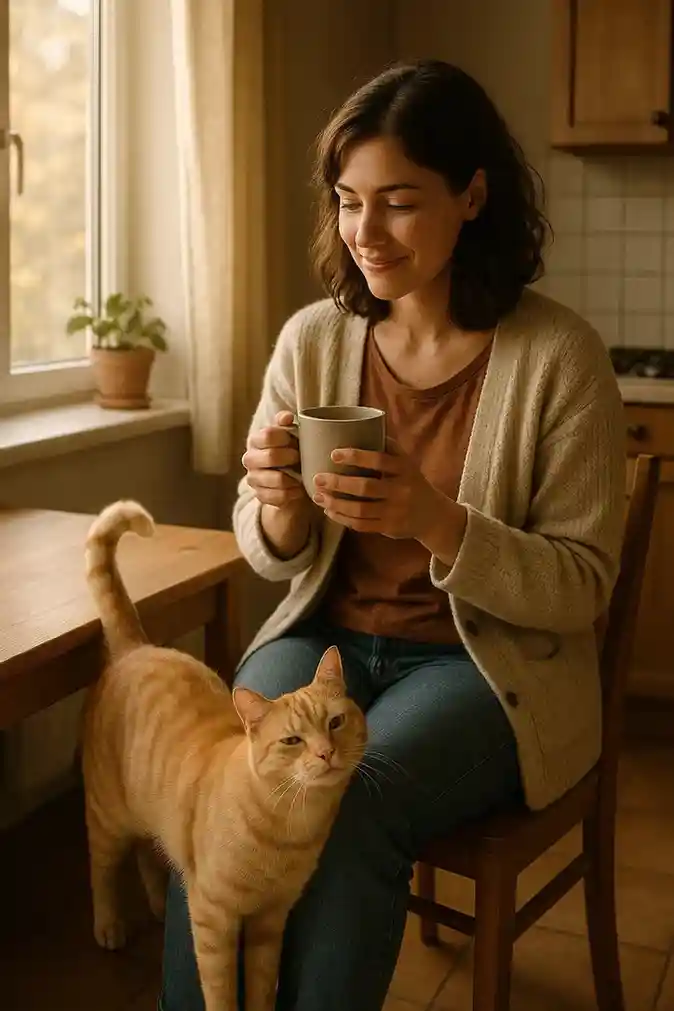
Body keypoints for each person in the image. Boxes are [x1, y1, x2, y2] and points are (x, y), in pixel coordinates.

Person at [160, 59, 625, 1011]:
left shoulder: (560, 357)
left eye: (399, 202)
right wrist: (280, 507)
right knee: (216, 775)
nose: (364, 233)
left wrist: (435, 520)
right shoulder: (311, 341)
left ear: (472, 195)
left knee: (353, 795)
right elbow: (267, 540)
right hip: (325, 643)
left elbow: (582, 585)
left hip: (483, 665)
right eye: (347, 201)